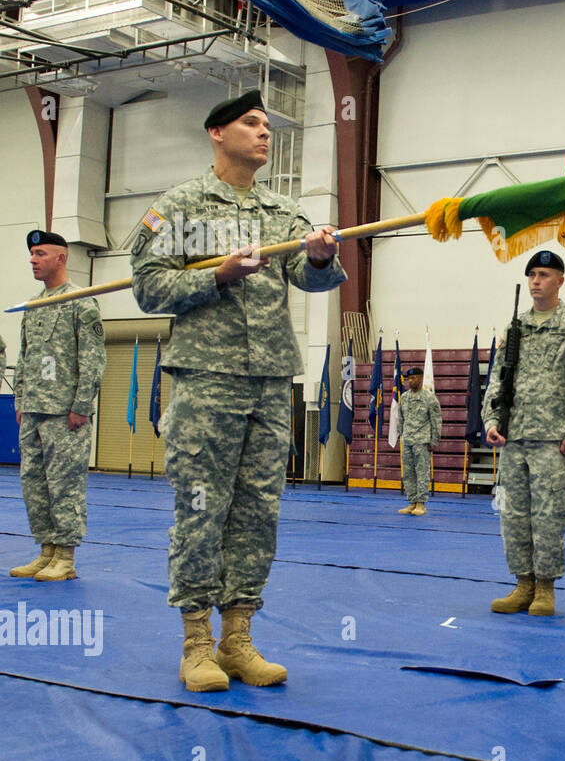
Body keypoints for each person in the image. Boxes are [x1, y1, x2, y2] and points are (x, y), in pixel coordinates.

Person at [131, 89, 345, 692]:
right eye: (252, 123)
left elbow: (311, 276)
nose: (265, 132)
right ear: (216, 133)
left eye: (268, 125)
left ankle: (237, 639)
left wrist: (323, 256)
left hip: (270, 381)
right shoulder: (182, 207)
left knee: (257, 512)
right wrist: (216, 278)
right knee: (201, 507)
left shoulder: (283, 211)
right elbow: (147, 286)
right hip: (206, 379)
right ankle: (195, 643)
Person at [484, 250, 565, 617]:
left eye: (544, 274)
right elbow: (498, 380)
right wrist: (492, 421)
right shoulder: (516, 326)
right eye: (531, 274)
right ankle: (523, 583)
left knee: (548, 518)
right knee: (512, 516)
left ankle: (545, 588)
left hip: (553, 440)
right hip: (515, 438)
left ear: (560, 280)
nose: (535, 281)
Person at [9, 230, 106, 582]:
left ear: (61, 258)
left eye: (40, 253)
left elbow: (93, 359)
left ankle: (65, 556)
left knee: (64, 484)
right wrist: (20, 400)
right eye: (32, 254)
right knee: (34, 484)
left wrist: (82, 405)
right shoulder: (33, 304)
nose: (33, 260)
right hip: (33, 411)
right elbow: (24, 357)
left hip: (66, 413)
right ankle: (46, 550)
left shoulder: (82, 301)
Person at [397, 366, 442, 516]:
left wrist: (434, 440)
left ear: (421, 378)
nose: (410, 381)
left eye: (413, 378)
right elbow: (401, 418)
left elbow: (436, 420)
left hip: (422, 441)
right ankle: (412, 502)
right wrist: (401, 435)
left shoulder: (429, 398)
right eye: (409, 379)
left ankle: (421, 503)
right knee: (409, 473)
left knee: (421, 472)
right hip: (408, 440)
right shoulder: (404, 397)